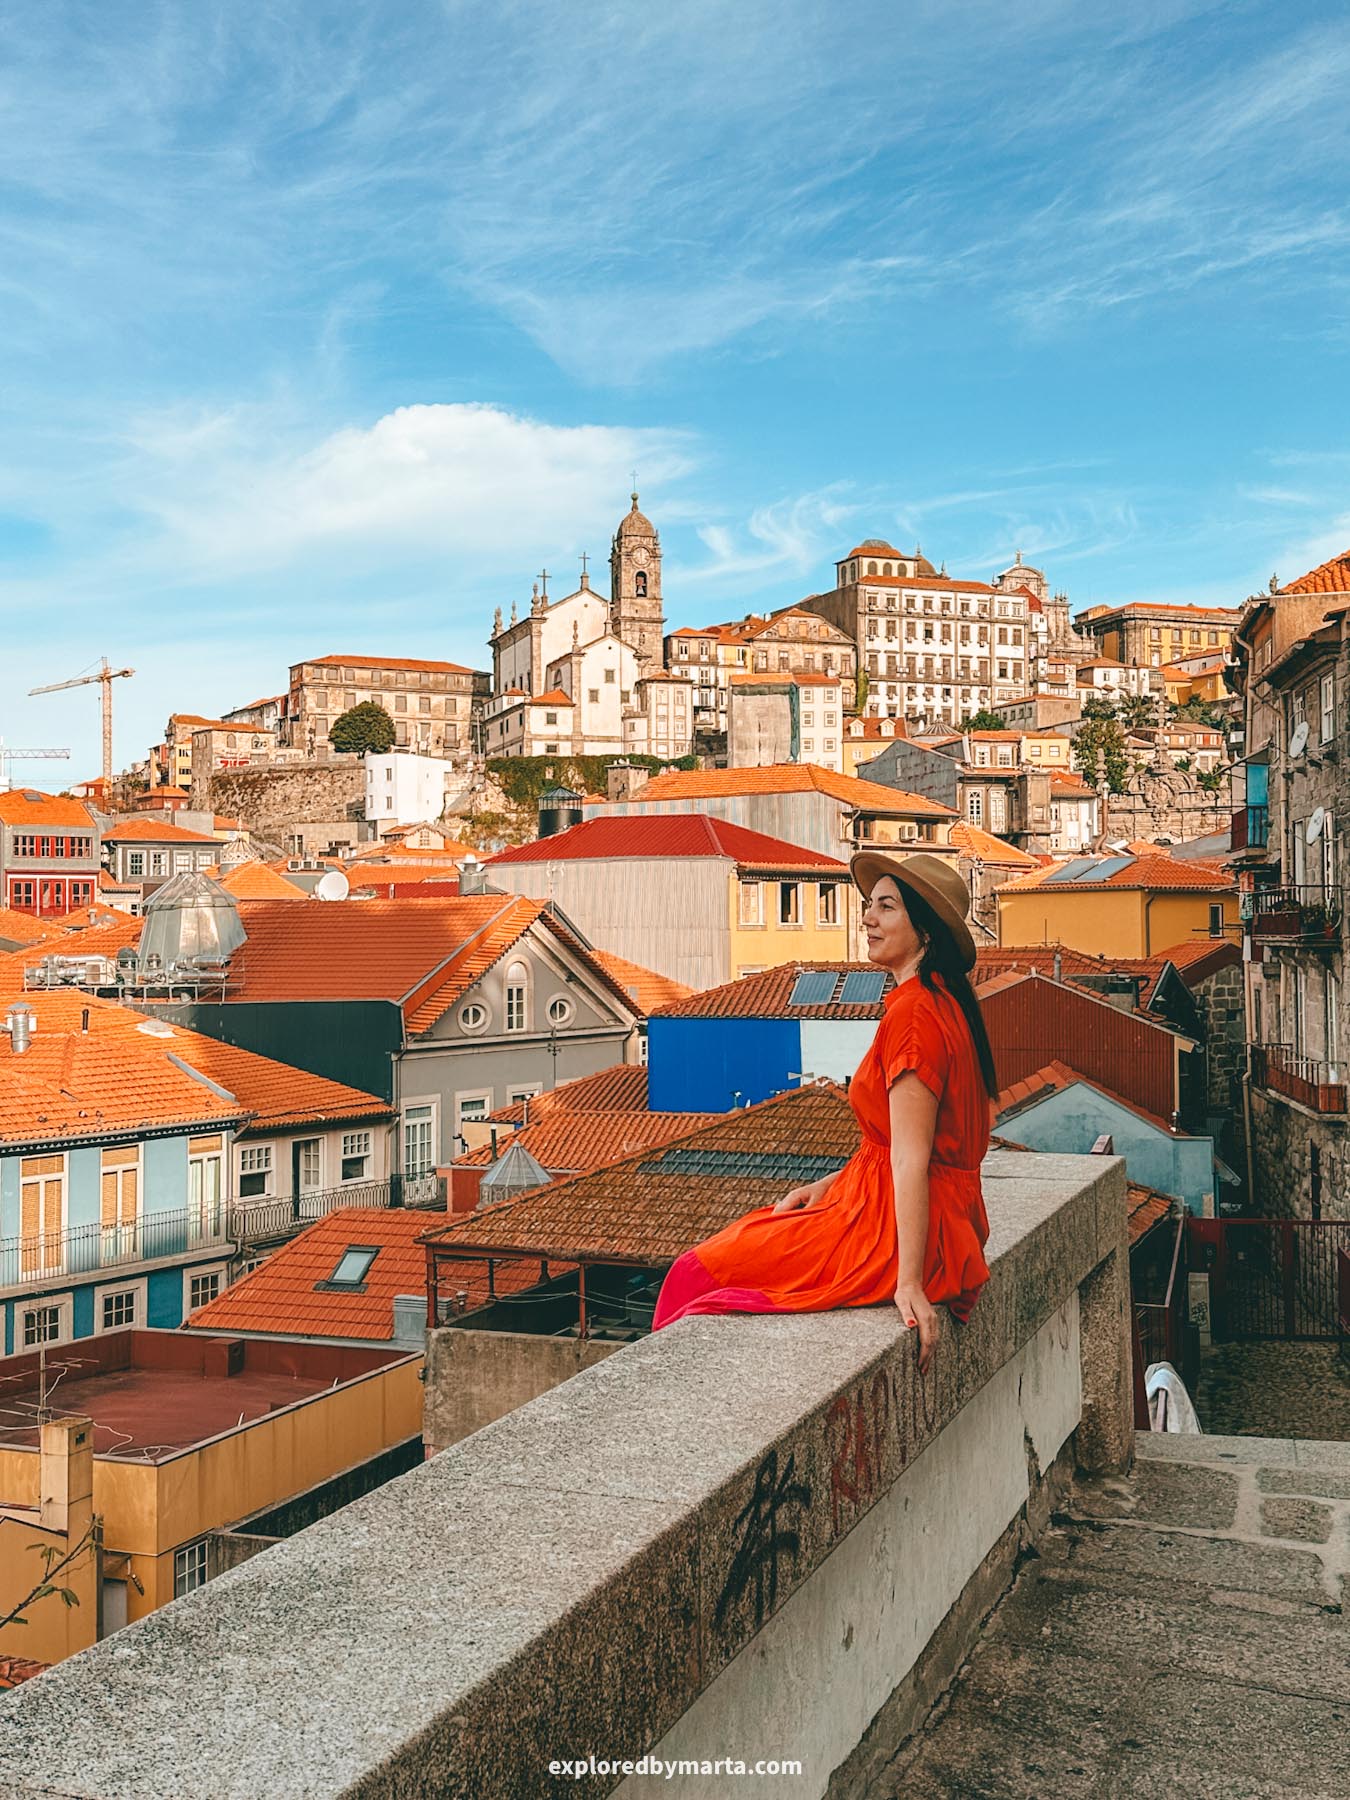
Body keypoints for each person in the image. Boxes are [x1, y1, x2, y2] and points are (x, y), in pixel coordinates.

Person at [651, 851, 998, 1370]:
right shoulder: (942, 1001)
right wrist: (832, 1184)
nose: (867, 918)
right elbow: (903, 1146)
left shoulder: (913, 1017)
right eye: (869, 905)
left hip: (891, 1232)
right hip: (910, 1212)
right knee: (745, 1242)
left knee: (695, 1271)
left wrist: (908, 1283)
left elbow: (910, 1160)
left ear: (924, 931)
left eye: (886, 907)